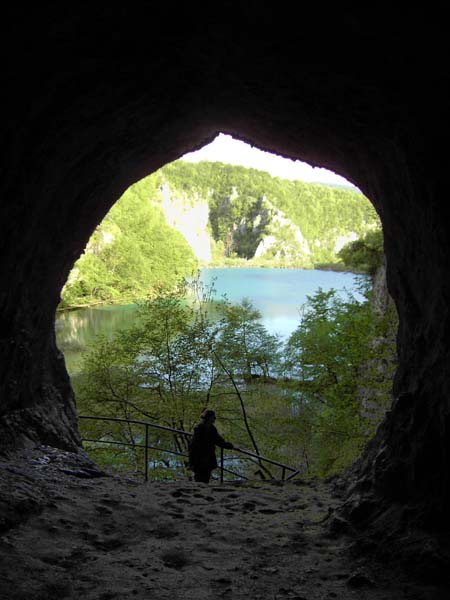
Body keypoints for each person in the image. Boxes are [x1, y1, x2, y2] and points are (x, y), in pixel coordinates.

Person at [188, 409, 233, 483]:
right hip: (199, 458)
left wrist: (228, 445)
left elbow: (218, 440)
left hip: (207, 458)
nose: (215, 419)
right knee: (199, 478)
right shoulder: (200, 429)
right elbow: (194, 445)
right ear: (209, 418)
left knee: (205, 478)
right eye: (213, 417)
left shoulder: (212, 429)